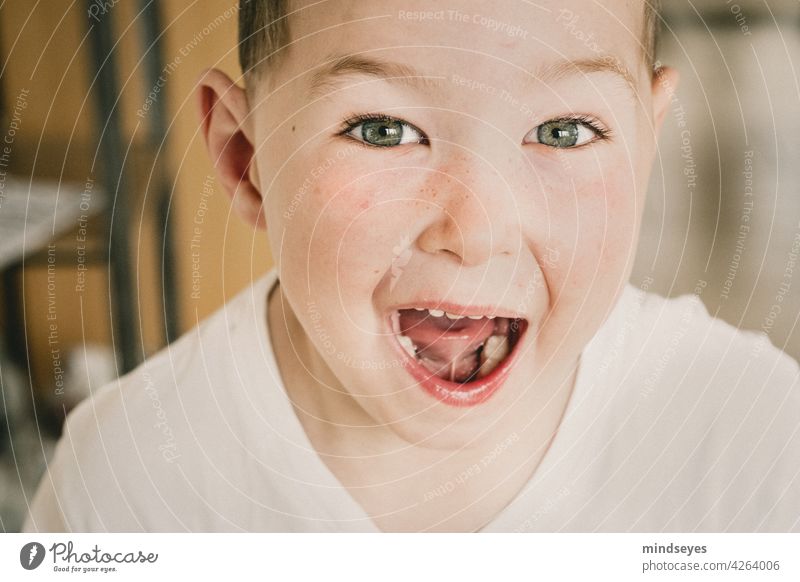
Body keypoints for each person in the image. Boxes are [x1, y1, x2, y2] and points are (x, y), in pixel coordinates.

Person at [24, 0, 799, 532]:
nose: (477, 230)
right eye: (384, 129)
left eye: (564, 131)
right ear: (247, 156)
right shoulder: (126, 483)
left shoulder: (756, 443)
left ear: (647, 144)